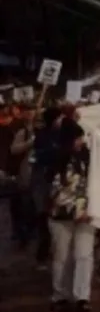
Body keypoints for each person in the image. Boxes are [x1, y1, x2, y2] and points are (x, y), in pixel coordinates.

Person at [48, 119, 95, 312]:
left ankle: (82, 297)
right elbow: (54, 190)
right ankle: (60, 295)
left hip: (86, 215)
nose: (81, 141)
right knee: (62, 256)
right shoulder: (54, 160)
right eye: (77, 137)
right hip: (61, 216)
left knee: (84, 256)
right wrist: (75, 210)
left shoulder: (89, 158)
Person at [30, 107, 65, 269]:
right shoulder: (42, 136)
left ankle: (53, 252)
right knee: (45, 219)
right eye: (59, 118)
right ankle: (42, 256)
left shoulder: (62, 134)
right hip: (44, 183)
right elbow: (40, 156)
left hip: (55, 182)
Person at [10, 106, 36, 250]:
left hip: (40, 176)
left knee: (34, 207)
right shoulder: (23, 132)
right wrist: (30, 142)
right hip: (25, 175)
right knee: (24, 207)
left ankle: (31, 233)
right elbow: (14, 149)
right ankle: (23, 236)